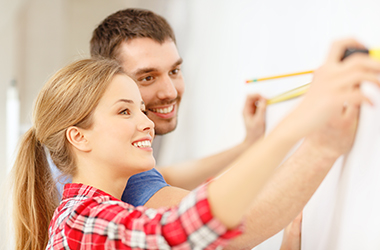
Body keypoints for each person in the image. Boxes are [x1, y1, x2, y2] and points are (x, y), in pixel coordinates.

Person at [12, 38, 380, 249]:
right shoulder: (80, 219)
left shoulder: (106, 208)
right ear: (78, 136)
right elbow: (184, 231)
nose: (146, 123)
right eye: (125, 112)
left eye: (141, 109)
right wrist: (307, 131)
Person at [89, 8, 373, 249]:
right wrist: (321, 145)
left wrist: (246, 147)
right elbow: (218, 225)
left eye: (174, 71)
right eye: (148, 77)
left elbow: (167, 176)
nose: (169, 91)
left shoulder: (112, 161)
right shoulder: (88, 201)